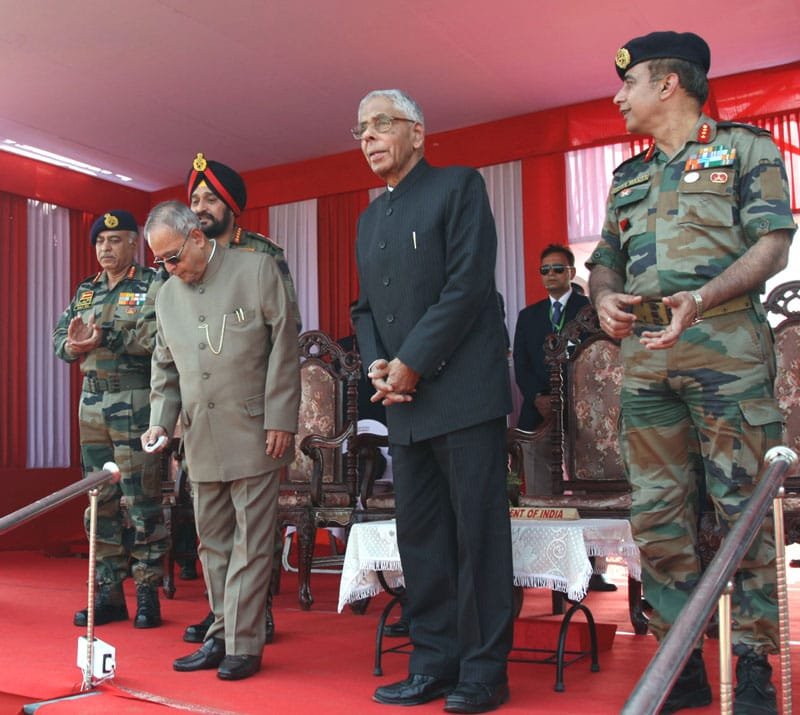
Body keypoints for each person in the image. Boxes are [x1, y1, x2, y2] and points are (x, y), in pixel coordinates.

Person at [588, 31, 795, 714]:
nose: (619, 97)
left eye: (630, 84)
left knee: (743, 512)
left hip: (726, 356)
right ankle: (680, 658)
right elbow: (604, 260)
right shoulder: (627, 177)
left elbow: (773, 241)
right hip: (647, 366)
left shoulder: (748, 151)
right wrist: (604, 297)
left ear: (669, 84)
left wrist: (700, 299)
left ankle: (754, 662)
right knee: (658, 517)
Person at [351, 89, 514, 713]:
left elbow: (468, 284)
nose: (368, 137)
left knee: (478, 538)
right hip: (401, 401)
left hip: (463, 394)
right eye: (361, 128)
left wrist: (412, 362)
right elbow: (364, 308)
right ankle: (434, 663)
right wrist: (378, 364)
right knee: (420, 539)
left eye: (380, 124)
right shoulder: (369, 217)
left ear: (417, 133)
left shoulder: (459, 186)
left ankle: (482, 673)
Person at [142, 201, 300, 681]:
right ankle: (220, 637)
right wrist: (159, 421)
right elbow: (164, 367)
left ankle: (244, 646)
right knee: (212, 545)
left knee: (252, 543)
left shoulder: (256, 269)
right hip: (200, 436)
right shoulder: (167, 295)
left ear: (195, 237)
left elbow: (284, 344)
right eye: (160, 262)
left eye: (172, 257)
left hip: (256, 430)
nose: (169, 269)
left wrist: (281, 418)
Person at [180, 153, 302, 646]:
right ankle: (223, 620)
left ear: (232, 205)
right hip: (206, 417)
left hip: (252, 413)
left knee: (251, 528)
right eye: (194, 199)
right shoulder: (183, 258)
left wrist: (280, 415)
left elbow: (284, 338)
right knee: (214, 527)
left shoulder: (262, 255)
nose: (201, 208)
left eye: (210, 198)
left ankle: (255, 615)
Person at [53, 210, 168, 629]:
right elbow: (60, 338)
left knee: (141, 499)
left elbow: (159, 337)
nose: (106, 248)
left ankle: (147, 593)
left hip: (135, 400)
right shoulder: (87, 292)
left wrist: (109, 337)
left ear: (134, 243)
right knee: (99, 502)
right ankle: (108, 593)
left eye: (115, 240)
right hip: (92, 405)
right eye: (100, 241)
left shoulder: (152, 284)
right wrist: (72, 343)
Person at [513, 245, 617, 593]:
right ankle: (546, 564)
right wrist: (538, 398)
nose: (551, 275)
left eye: (558, 269)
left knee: (589, 486)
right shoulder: (529, 316)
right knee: (541, 487)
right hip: (539, 409)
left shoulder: (590, 311)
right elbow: (522, 366)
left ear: (572, 273)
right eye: (545, 270)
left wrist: (572, 398)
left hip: (585, 409)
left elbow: (604, 360)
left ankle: (593, 567)